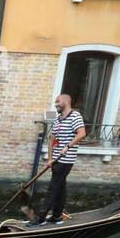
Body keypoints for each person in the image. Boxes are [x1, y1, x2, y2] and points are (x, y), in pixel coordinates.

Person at [28, 94, 86, 226]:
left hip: (66, 160)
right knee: (60, 188)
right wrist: (50, 158)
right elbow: (51, 139)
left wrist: (68, 146)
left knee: (53, 188)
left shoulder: (75, 116)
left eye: (58, 101)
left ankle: (41, 218)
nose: (55, 104)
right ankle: (57, 216)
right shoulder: (59, 119)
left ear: (66, 101)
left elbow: (82, 133)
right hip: (56, 160)